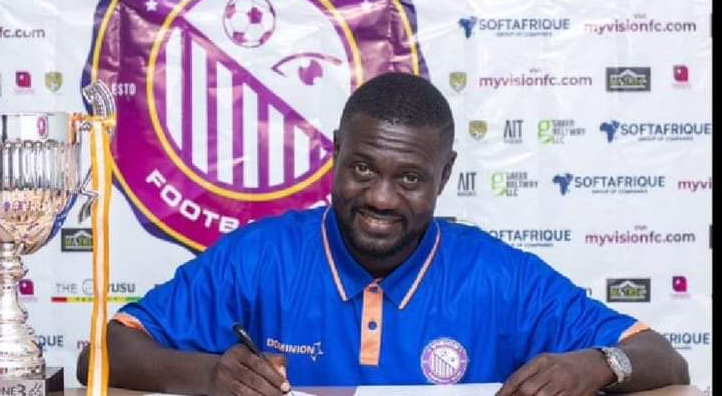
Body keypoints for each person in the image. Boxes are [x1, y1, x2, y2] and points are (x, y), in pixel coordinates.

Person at [78, 72, 689, 395]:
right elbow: (99, 356)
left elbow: (665, 361)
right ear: (335, 155)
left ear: (444, 176)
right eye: (363, 169)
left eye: (411, 178)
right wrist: (209, 377)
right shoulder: (260, 257)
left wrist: (598, 365)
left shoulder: (500, 276)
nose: (380, 197)